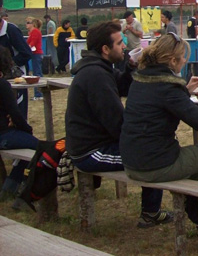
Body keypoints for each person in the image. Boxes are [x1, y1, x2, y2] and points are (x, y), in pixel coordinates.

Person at [120, 33, 198, 250]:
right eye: (182, 57)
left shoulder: (141, 78)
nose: (184, 61)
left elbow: (161, 100)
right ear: (172, 61)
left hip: (132, 161)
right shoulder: (168, 86)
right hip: (156, 165)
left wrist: (184, 90)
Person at [65, 21, 173, 228]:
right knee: (153, 156)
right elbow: (116, 123)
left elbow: (123, 86)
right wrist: (145, 136)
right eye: (119, 43)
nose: (124, 46)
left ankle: (151, 211)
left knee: (151, 148)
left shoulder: (98, 68)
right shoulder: (96, 76)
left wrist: (132, 65)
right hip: (90, 152)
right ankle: (151, 213)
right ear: (105, 49)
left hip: (94, 144)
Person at [0, 46, 39, 203]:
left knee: (26, 147)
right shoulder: (3, 85)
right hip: (3, 135)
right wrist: (27, 129)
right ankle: (23, 193)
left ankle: (10, 187)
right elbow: (15, 113)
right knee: (39, 147)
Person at [0, 13, 33, 117]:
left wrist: (7, 64)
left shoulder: (11, 30)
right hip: (2, 78)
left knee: (18, 111)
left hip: (17, 77)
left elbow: (26, 53)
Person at [25, 17, 44, 100]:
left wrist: (27, 48)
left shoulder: (35, 31)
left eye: (28, 22)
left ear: (33, 24)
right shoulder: (32, 32)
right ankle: (39, 93)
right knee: (37, 72)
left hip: (36, 54)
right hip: (34, 54)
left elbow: (32, 43)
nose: (26, 24)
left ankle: (39, 94)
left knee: (37, 74)